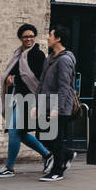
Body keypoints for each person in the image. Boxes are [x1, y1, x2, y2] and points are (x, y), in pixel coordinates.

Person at [0, 24, 52, 177]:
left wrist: (14, 80)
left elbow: (36, 78)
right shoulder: (18, 54)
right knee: (20, 132)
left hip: (29, 97)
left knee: (14, 131)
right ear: (20, 38)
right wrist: (9, 78)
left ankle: (9, 167)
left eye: (31, 36)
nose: (29, 39)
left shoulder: (37, 54)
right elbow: (14, 72)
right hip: (16, 97)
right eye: (26, 36)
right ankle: (47, 155)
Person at [37, 26, 78, 181]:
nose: (48, 38)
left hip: (58, 106)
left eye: (51, 35)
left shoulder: (65, 60)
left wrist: (58, 109)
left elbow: (64, 87)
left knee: (55, 137)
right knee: (42, 136)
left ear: (58, 39)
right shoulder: (49, 59)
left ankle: (57, 171)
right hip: (45, 104)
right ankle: (67, 154)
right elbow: (41, 84)